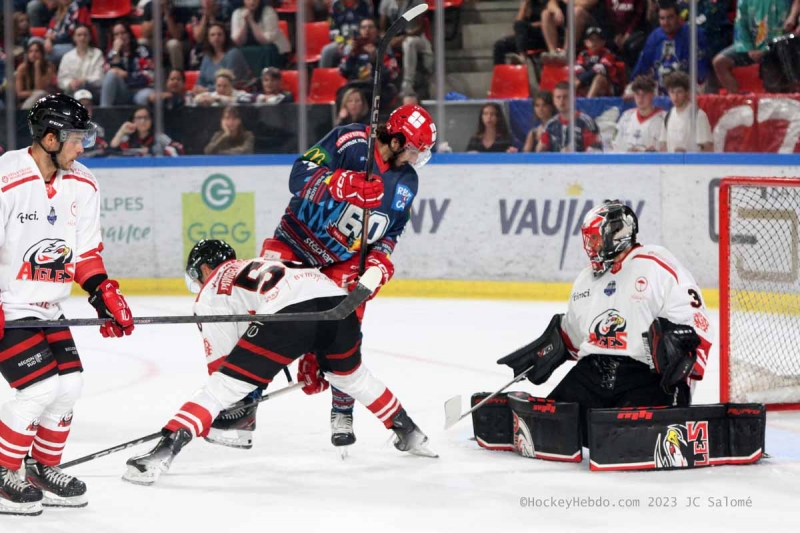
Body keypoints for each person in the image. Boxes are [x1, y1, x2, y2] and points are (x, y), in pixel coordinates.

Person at [121, 239, 436, 485]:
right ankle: (410, 433)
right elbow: (307, 303)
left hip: (290, 316)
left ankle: (159, 455)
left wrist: (234, 407)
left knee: (219, 389)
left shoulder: (212, 289)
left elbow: (223, 368)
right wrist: (315, 357)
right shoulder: (263, 264)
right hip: (342, 309)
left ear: (204, 268)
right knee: (353, 378)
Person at [259, 104, 436, 453]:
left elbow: (392, 229)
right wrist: (340, 183)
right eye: (415, 150)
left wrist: (380, 258)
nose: (416, 159)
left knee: (346, 334)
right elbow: (298, 176)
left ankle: (342, 412)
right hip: (294, 242)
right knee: (267, 324)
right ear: (397, 141)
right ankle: (244, 400)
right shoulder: (351, 140)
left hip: (343, 261)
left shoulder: (407, 182)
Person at [0, 94, 134, 515]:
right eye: (76, 139)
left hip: (50, 307)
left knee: (69, 386)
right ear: (50, 138)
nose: (82, 147)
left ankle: (42, 467)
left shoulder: (84, 183)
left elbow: (85, 254)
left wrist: (102, 293)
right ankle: (4, 471)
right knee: (38, 388)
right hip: (9, 306)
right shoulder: (6, 177)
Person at [497, 200, 713, 446]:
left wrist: (680, 355)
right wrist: (547, 350)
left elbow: (697, 321)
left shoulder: (656, 264)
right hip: (593, 372)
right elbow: (575, 336)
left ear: (617, 234)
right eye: (588, 239)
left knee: (628, 439)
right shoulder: (586, 279)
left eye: (596, 238)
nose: (591, 246)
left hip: (647, 376)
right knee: (544, 429)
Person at [713, 0, 800, 94]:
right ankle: (736, 98)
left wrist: (793, 16)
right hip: (753, 45)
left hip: (781, 45)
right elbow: (741, 25)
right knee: (720, 62)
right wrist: (750, 49)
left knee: (776, 86)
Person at [629, 0, 710, 93]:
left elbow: (702, 75)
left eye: (670, 17)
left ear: (679, 18)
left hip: (687, 92)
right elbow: (641, 69)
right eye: (662, 18)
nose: (666, 22)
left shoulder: (694, 35)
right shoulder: (654, 37)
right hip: (659, 94)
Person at [379, 0, 433, 97]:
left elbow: (420, 27)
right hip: (395, 38)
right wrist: (389, 40)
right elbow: (382, 30)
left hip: (417, 38)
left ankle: (407, 85)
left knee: (409, 43)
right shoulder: (386, 2)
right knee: (382, 44)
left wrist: (403, 37)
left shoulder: (417, 1)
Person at [100, 22, 155, 107]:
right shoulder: (112, 53)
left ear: (129, 34)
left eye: (123, 33)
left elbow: (149, 76)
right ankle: (104, 111)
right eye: (116, 34)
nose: (120, 37)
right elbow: (109, 78)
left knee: (145, 96)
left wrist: (126, 75)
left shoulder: (142, 50)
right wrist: (116, 52)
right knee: (111, 74)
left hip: (140, 89)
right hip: (122, 91)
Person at [537, 81, 603, 152]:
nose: (561, 101)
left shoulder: (586, 123)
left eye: (565, 97)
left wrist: (575, 153)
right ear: (554, 100)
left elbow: (596, 151)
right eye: (558, 97)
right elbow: (540, 151)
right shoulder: (550, 125)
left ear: (573, 99)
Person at [659, 71, 713, 152]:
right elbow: (664, 146)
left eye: (679, 92)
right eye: (672, 92)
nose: (675, 96)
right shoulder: (668, 115)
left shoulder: (698, 115)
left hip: (692, 160)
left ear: (687, 92)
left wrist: (686, 155)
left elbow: (708, 148)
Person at [541, 0, 610, 62]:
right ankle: (553, 52)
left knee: (577, 11)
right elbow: (551, 2)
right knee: (546, 14)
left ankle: (566, 53)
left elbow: (586, 3)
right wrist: (556, 10)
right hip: (566, 22)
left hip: (592, 23)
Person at [193, 22, 251, 95]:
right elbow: (200, 81)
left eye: (219, 34)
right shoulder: (207, 57)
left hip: (232, 94)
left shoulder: (234, 54)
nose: (216, 37)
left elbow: (230, 82)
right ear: (208, 38)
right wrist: (198, 89)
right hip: (209, 95)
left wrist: (207, 90)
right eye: (212, 35)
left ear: (225, 36)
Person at [611, 75, 665, 152]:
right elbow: (615, 145)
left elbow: (668, 149)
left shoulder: (664, 118)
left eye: (644, 94)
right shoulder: (626, 117)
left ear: (652, 95)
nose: (640, 98)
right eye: (637, 94)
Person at [231, 0, 291, 69]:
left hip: (275, 50)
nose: (252, 1)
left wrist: (251, 21)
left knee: (267, 51)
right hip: (252, 49)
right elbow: (237, 41)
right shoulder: (237, 13)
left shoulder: (268, 11)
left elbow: (266, 41)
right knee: (235, 52)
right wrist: (245, 23)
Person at [108, 106, 184, 157]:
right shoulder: (127, 138)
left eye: (146, 118)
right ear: (133, 120)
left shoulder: (159, 137)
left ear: (151, 121)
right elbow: (112, 152)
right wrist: (121, 132)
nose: (142, 121)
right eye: (139, 118)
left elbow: (178, 149)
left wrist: (151, 150)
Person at [320, 0, 374, 68]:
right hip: (341, 41)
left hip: (359, 41)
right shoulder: (335, 5)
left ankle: (348, 73)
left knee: (349, 49)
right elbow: (333, 28)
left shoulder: (365, 5)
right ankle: (323, 74)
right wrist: (341, 42)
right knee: (326, 50)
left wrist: (357, 41)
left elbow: (368, 26)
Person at [493, 0, 550, 65]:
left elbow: (551, 22)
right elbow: (517, 22)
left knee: (521, 25)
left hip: (543, 36)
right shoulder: (531, 3)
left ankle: (522, 57)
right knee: (499, 45)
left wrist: (533, 25)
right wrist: (524, 4)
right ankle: (501, 71)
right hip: (526, 37)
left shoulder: (549, 3)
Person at [56, 24, 104, 99]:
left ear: (90, 37)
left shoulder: (97, 53)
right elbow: (61, 80)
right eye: (79, 35)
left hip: (92, 91)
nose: (82, 38)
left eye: (85, 35)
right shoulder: (67, 57)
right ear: (74, 38)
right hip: (72, 93)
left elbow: (100, 78)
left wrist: (84, 80)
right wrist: (70, 83)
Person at [574, 26, 620, 97]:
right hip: (588, 83)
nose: (594, 42)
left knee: (599, 78)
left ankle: (588, 101)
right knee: (573, 79)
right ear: (586, 42)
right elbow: (578, 71)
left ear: (603, 42)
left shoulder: (607, 53)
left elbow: (599, 69)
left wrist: (581, 80)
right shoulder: (583, 54)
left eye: (597, 40)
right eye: (591, 40)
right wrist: (580, 80)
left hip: (609, 86)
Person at [43, 0, 91, 64]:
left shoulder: (78, 7)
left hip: (72, 45)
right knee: (35, 41)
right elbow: (51, 28)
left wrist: (53, 39)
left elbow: (72, 35)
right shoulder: (59, 10)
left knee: (43, 53)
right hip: (56, 42)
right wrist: (48, 39)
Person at [15, 40, 57, 110]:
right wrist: (33, 93)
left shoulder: (49, 67)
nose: (33, 54)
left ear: (42, 53)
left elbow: (40, 88)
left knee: (41, 94)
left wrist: (37, 68)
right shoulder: (22, 68)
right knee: (39, 94)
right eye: (30, 51)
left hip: (45, 99)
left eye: (37, 51)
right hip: (26, 101)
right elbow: (20, 93)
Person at [73, 89, 109, 158]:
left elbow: (103, 148)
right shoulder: (66, 127)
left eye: (88, 105)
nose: (85, 108)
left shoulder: (98, 128)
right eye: (81, 105)